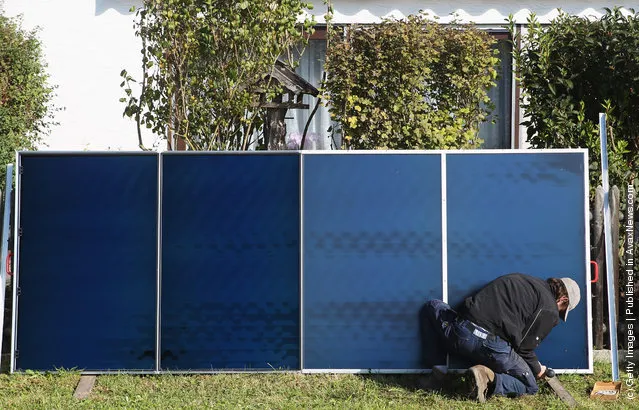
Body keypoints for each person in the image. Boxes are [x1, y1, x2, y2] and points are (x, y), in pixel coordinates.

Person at [419, 273, 581, 402]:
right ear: (563, 299)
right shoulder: (549, 308)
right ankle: (488, 378)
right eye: (562, 309)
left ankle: (438, 372)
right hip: (490, 346)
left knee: (432, 306)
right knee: (530, 386)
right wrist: (538, 370)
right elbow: (524, 348)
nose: (558, 314)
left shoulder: (523, 280)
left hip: (459, 332)